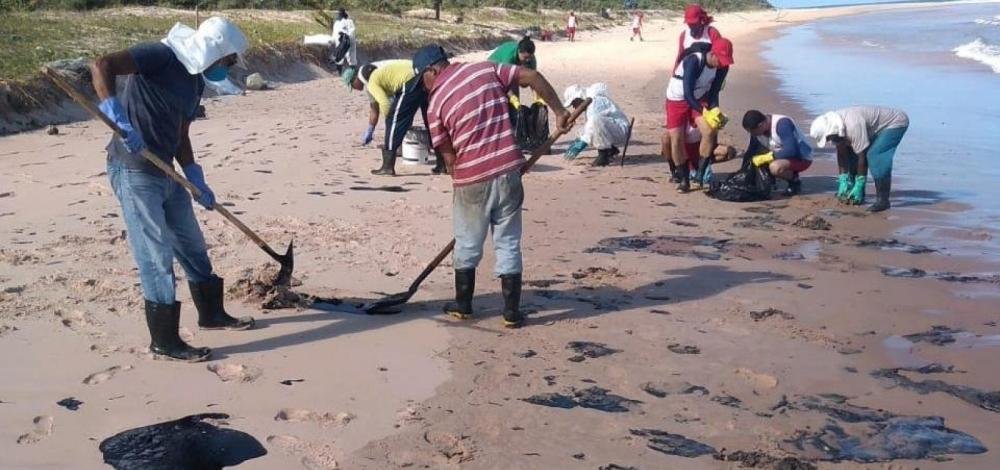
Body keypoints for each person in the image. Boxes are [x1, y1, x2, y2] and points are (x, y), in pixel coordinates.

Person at [90, 17, 255, 363]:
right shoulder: (161, 55)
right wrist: (115, 115)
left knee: (192, 243)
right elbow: (102, 65)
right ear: (214, 52)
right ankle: (164, 341)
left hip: (167, 170)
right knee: (155, 255)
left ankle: (212, 314)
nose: (227, 66)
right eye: (227, 60)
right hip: (134, 168)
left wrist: (194, 175)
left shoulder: (195, 82)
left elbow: (181, 134)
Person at [413, 44, 570, 328]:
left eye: (421, 81)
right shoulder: (485, 69)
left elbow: (449, 159)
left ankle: (464, 306)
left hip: (472, 179)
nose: (423, 88)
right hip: (509, 171)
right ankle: (511, 313)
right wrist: (559, 111)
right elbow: (532, 77)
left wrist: (462, 187)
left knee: (467, 243)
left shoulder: (435, 105)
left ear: (431, 71)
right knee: (508, 242)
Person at [344, 60, 445, 175]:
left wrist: (392, 124)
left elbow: (385, 104)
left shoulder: (372, 82)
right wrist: (370, 129)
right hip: (424, 75)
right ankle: (443, 163)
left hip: (410, 81)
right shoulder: (377, 73)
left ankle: (387, 166)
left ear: (355, 79)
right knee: (430, 121)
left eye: (352, 85)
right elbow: (374, 109)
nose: (354, 88)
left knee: (393, 120)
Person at [664, 37, 734, 192]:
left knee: (709, 131)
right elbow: (687, 94)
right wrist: (705, 112)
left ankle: (700, 175)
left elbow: (714, 91)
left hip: (699, 97)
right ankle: (683, 178)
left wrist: (715, 110)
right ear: (713, 54)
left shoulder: (723, 67)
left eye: (726, 61)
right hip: (677, 98)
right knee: (676, 138)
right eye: (721, 60)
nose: (723, 64)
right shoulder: (693, 60)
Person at [810, 106, 909, 211]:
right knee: (850, 152)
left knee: (875, 155)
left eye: (828, 138)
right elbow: (842, 153)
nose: (829, 140)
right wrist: (843, 179)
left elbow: (863, 156)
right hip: (872, 126)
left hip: (894, 122)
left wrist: (860, 183)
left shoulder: (853, 125)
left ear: (831, 131)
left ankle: (883, 200)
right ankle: (854, 192)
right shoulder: (835, 126)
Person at [741, 110, 813, 196]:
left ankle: (794, 181)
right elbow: (751, 151)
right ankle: (771, 180)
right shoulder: (757, 130)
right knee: (757, 156)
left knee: (775, 167)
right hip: (781, 154)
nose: (751, 134)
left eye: (752, 132)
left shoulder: (782, 124)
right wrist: (743, 173)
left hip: (801, 157)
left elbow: (791, 150)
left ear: (760, 125)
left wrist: (768, 157)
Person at [562, 83, 631, 166]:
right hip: (613, 129)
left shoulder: (595, 102)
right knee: (581, 131)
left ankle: (603, 155)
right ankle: (610, 150)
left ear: (578, 98)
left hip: (621, 130)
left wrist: (576, 148)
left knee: (595, 122)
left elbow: (594, 126)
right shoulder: (590, 103)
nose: (573, 107)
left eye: (573, 103)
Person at [330, 8, 357, 73]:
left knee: (351, 56)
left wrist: (346, 35)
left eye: (339, 15)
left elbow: (352, 30)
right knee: (339, 55)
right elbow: (334, 33)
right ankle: (339, 72)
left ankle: (353, 72)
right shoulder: (336, 23)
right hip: (339, 41)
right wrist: (332, 40)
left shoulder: (349, 21)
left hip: (349, 41)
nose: (338, 16)